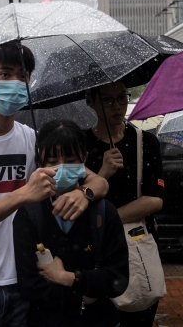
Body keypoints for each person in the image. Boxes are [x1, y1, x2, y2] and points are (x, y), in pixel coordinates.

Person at [0, 41, 109, 327]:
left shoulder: (30, 138)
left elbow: (97, 180)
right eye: (5, 74)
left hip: (28, 281)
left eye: (22, 76)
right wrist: (23, 194)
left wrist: (85, 194)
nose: (15, 83)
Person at [13, 120, 129, 327]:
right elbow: (29, 284)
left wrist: (67, 277)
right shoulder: (29, 214)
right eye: (52, 161)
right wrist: (84, 297)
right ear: (39, 163)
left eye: (70, 159)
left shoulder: (103, 212)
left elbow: (117, 278)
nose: (61, 167)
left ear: (84, 158)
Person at [83, 81, 164, 327]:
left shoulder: (145, 142)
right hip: (94, 250)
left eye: (122, 97)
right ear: (92, 103)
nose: (117, 106)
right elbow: (77, 197)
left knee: (139, 312)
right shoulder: (81, 146)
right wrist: (103, 173)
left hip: (136, 244)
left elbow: (154, 199)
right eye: (107, 100)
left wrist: (108, 219)